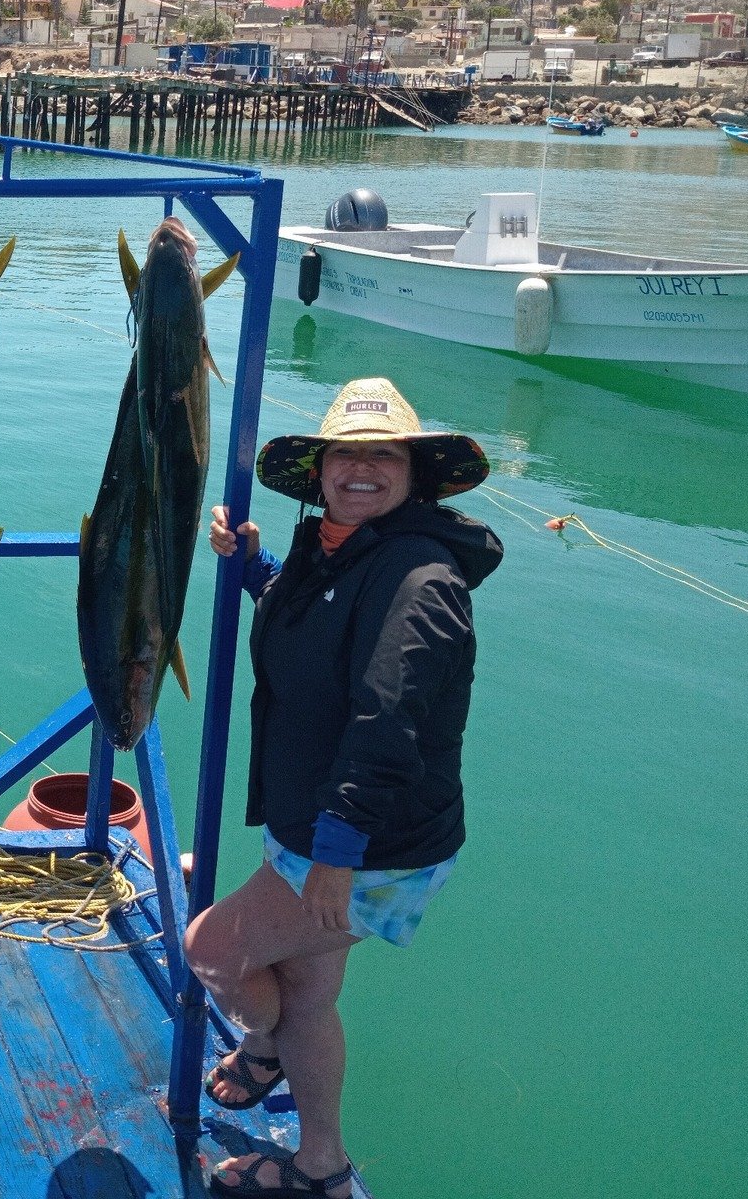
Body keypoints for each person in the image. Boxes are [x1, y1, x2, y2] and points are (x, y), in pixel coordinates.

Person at [186, 378, 501, 1198]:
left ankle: (261, 1046)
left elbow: (386, 721)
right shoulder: (340, 552)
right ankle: (319, 1160)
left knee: (213, 952)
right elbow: (316, 622)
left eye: (383, 455)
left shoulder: (419, 577)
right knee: (309, 993)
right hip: (326, 827)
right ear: (321, 472)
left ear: (415, 474)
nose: (361, 470)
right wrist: (254, 563)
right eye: (345, 456)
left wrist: (335, 856)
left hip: (362, 845)